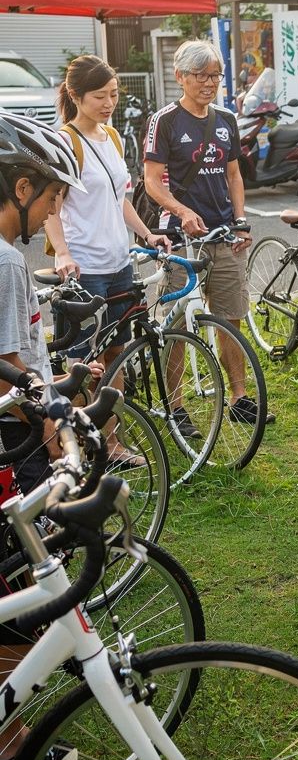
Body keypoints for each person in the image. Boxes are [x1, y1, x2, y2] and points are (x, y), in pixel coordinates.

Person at [0, 111, 90, 760]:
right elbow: (8, 365)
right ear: (23, 187)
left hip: (17, 426)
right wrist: (53, 415)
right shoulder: (6, 261)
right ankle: (10, 742)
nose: (57, 210)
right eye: (54, 195)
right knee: (21, 590)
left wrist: (57, 383)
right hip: (15, 438)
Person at [44, 55, 171, 463]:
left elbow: (121, 200)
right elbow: (50, 206)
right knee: (85, 364)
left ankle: (111, 442)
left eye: (114, 94)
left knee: (116, 354)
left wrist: (146, 233)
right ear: (76, 95)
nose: (109, 103)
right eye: (99, 96)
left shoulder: (113, 137)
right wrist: (63, 252)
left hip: (119, 264)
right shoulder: (65, 142)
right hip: (84, 269)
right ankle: (75, 447)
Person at [143, 40, 258, 429]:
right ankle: (175, 407)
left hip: (223, 235)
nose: (209, 83)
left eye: (215, 76)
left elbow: (234, 175)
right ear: (180, 76)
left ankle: (239, 397)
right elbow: (151, 182)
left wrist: (240, 220)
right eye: (201, 75)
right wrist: (182, 211)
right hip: (179, 240)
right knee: (177, 325)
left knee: (230, 318)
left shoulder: (226, 119)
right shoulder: (165, 120)